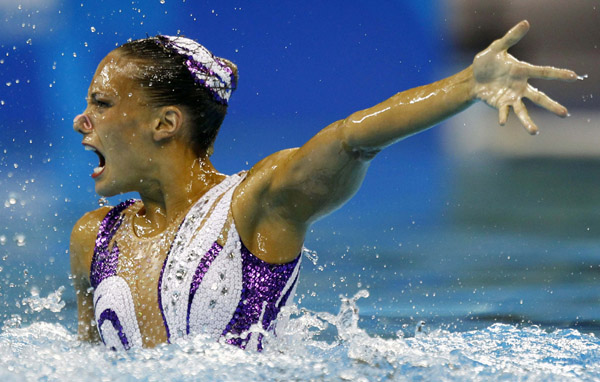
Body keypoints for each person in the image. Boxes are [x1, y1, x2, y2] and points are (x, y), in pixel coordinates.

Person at [70, 20, 578, 350]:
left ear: (166, 124)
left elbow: (349, 140)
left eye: (102, 103)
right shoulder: (93, 239)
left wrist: (466, 85)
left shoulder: (256, 203)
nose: (82, 120)